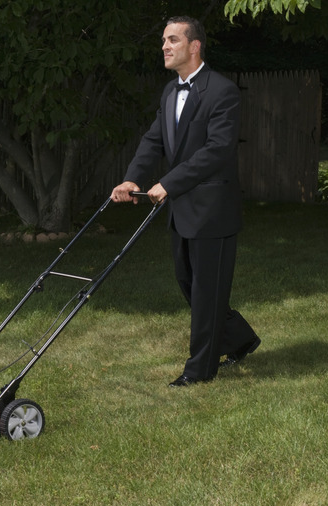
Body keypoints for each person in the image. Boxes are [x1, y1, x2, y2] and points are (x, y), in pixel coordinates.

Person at [111, 16, 260, 387]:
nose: (165, 46)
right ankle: (240, 337)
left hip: (213, 212)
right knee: (190, 284)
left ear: (194, 46)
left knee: (207, 292)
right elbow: (154, 141)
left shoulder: (222, 91)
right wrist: (133, 177)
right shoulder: (169, 92)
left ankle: (199, 370)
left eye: (173, 39)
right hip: (182, 212)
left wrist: (169, 183)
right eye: (163, 39)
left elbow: (217, 151)